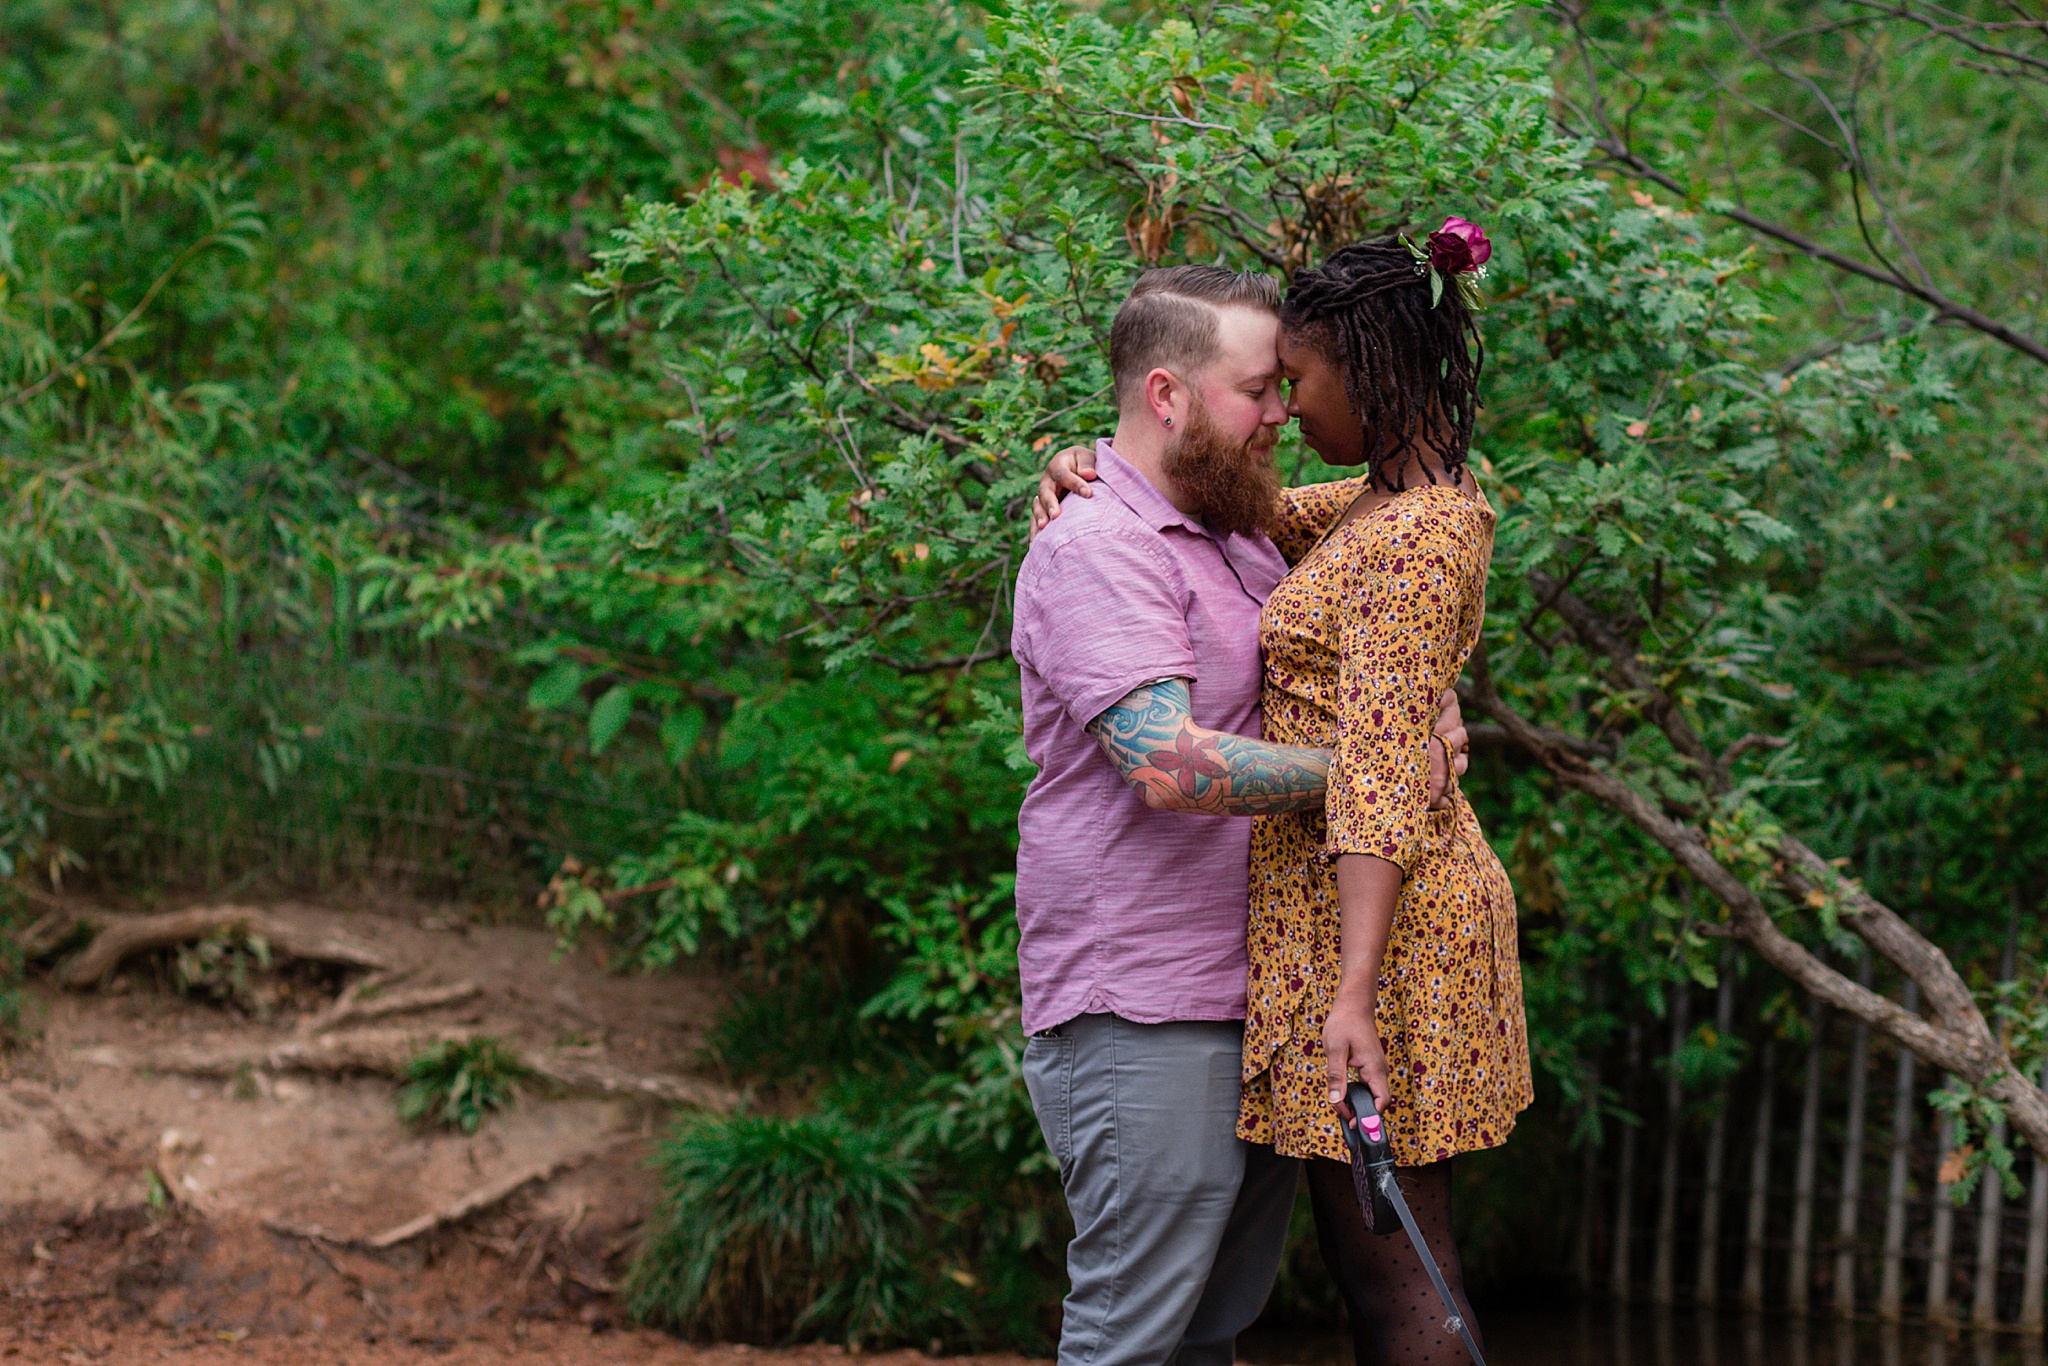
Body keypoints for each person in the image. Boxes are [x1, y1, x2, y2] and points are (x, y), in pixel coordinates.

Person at [1033, 230, 1531, 1366]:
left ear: (1365, 373)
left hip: (1358, 946)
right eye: (1260, 390)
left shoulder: (1385, 527)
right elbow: (1172, 755)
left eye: (1290, 387)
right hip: (1216, 973)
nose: (1281, 414)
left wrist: (1351, 975)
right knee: (1314, 1281)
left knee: (1376, 1272)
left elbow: (1381, 708)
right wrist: (1073, 457)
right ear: (1168, 394)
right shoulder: (1319, 516)